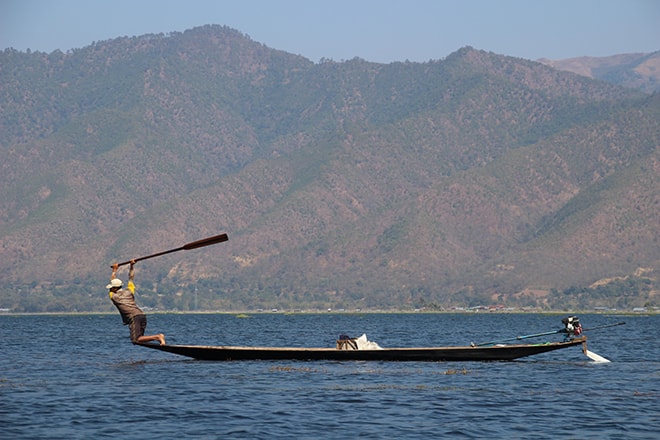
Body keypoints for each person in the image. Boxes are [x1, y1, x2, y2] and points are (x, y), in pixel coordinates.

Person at [108, 260, 166, 345]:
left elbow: (112, 280)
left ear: (114, 288)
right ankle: (158, 338)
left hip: (134, 317)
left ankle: (158, 337)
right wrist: (132, 266)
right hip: (141, 315)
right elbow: (131, 278)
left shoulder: (114, 296)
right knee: (139, 339)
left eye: (111, 288)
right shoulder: (129, 291)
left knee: (135, 340)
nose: (109, 289)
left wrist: (114, 270)